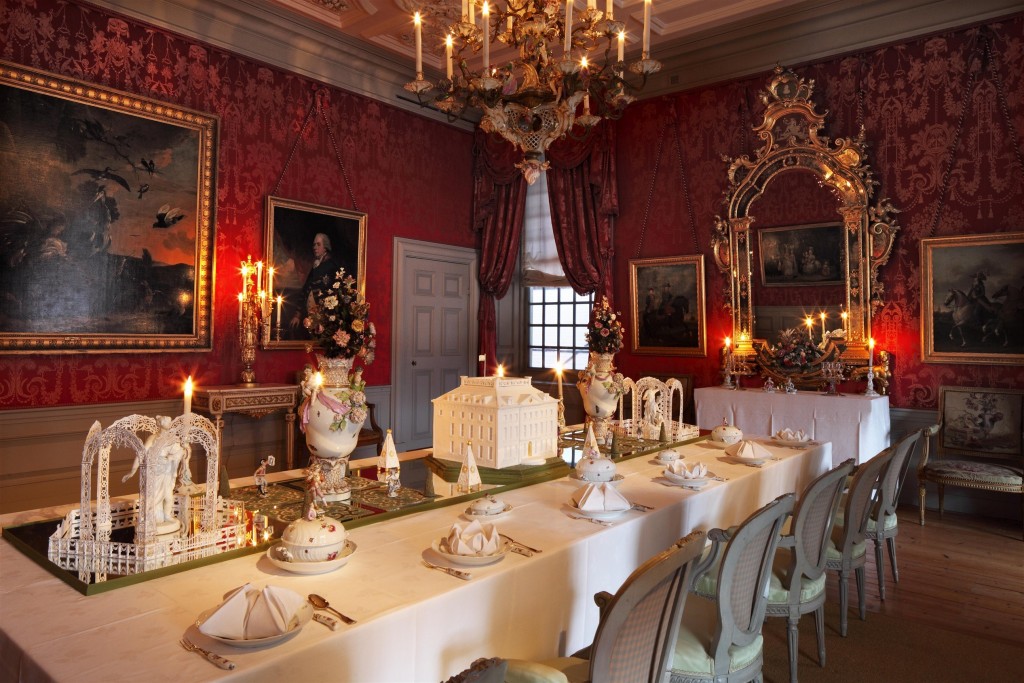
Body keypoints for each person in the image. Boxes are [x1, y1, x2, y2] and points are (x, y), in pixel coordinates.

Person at [290, 232, 341, 332]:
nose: (315, 247)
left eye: (318, 244)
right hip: (309, 315)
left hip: (324, 318)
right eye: (314, 244)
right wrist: (297, 314)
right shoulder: (316, 265)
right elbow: (306, 288)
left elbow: (334, 293)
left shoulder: (331, 265)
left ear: (325, 247)